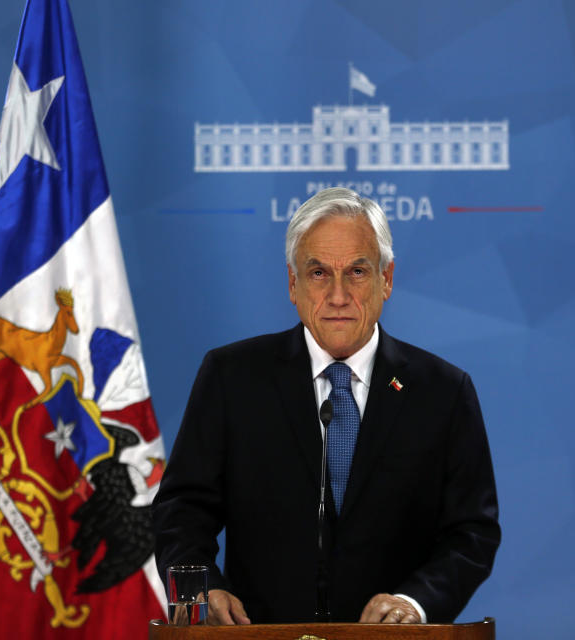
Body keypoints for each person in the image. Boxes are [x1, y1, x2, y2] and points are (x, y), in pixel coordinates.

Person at [153, 187, 500, 625]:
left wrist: (416, 602)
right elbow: (182, 510)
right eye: (319, 273)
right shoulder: (232, 377)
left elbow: (472, 532)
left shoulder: (443, 391)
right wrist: (203, 588)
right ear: (293, 284)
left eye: (357, 271)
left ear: (386, 279)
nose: (338, 296)